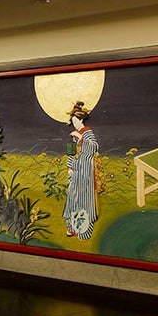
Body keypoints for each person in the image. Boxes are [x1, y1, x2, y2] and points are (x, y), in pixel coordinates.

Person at [63, 101, 98, 240]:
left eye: (76, 120)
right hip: (76, 171)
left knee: (83, 200)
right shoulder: (75, 134)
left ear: (81, 119)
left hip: (85, 172)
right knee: (73, 198)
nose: (74, 123)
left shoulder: (87, 133)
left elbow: (94, 147)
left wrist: (81, 138)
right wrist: (69, 167)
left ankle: (82, 230)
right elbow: (71, 152)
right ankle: (71, 227)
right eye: (73, 121)